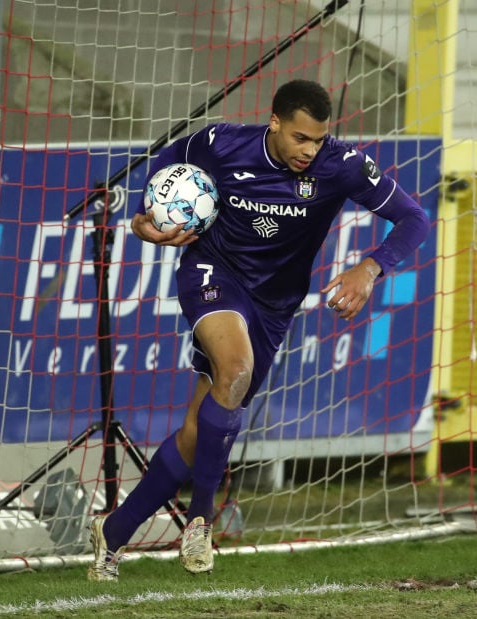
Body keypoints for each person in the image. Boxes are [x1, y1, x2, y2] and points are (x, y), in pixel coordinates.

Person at [87, 79, 430, 581]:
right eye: (299, 138)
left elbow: (414, 218)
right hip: (213, 273)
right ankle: (201, 521)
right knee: (237, 367)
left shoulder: (343, 165)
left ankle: (113, 533)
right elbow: (170, 158)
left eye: (317, 140)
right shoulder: (222, 143)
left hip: (274, 305)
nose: (309, 151)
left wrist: (370, 268)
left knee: (197, 429)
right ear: (274, 123)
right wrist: (145, 218)